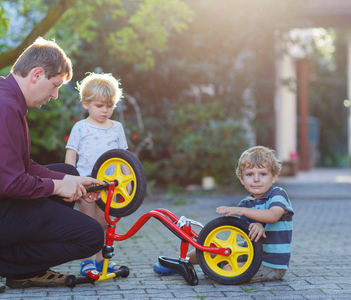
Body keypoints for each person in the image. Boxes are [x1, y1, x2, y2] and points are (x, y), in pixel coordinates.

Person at [0, 37, 105, 295]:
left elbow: (22, 166)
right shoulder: (2, 106)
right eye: (55, 85)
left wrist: (69, 181)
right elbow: (10, 183)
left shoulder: (4, 94)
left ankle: (27, 272)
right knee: (91, 235)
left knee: (70, 173)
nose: (55, 94)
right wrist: (57, 186)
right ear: (37, 74)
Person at [154, 146, 294, 283]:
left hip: (272, 265)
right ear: (241, 178)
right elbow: (245, 230)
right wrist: (255, 224)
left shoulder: (278, 194)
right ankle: (181, 262)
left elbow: (273, 215)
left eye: (262, 174)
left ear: (274, 177)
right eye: (250, 174)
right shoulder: (246, 203)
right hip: (251, 254)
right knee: (212, 248)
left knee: (228, 270)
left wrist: (245, 214)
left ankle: (217, 266)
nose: (256, 179)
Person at [64, 72, 128, 276]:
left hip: (110, 185)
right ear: (85, 104)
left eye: (109, 106)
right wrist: (70, 180)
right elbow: (70, 154)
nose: (105, 111)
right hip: (86, 184)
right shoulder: (80, 127)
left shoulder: (116, 128)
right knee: (88, 223)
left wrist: (127, 185)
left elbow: (125, 157)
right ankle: (87, 261)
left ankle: (102, 261)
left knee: (104, 223)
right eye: (99, 106)